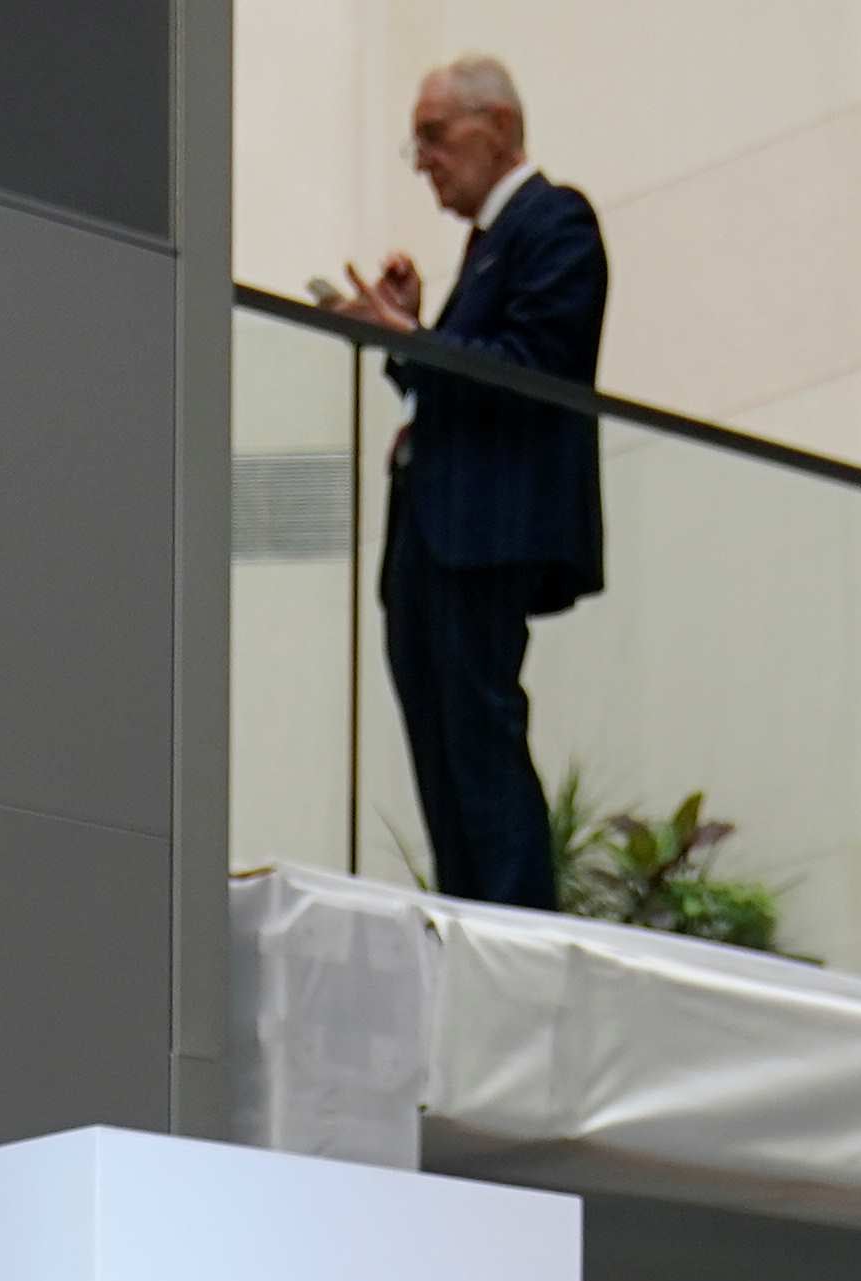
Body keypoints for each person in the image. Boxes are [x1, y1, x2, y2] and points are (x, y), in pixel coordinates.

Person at [313, 60, 605, 910]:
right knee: (441, 751)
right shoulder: (490, 248)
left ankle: (513, 932)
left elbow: (530, 372)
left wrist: (412, 333)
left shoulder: (556, 222)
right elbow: (463, 382)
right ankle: (472, 920)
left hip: (488, 533)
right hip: (438, 533)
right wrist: (412, 334)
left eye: (435, 135)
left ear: (500, 127)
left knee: (478, 741)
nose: (423, 159)